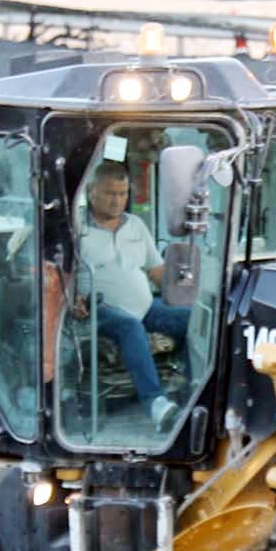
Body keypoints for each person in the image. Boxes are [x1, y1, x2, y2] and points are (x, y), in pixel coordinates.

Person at [76, 161, 188, 422]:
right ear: (91, 191)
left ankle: (193, 392)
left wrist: (184, 294)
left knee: (197, 319)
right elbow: (60, 274)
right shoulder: (76, 227)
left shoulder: (135, 225)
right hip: (97, 310)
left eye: (123, 193)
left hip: (146, 307)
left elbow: (156, 270)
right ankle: (155, 403)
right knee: (129, 326)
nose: (117, 201)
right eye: (110, 193)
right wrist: (72, 299)